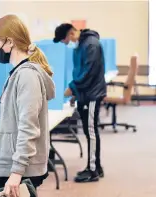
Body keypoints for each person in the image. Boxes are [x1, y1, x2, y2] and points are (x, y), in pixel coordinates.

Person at [0, 14, 55, 197]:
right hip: (14, 165)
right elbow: (9, 126)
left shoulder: (27, 76)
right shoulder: (16, 74)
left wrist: (16, 173)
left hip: (21, 169)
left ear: (10, 42)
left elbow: (28, 128)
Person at [53, 23, 106, 183]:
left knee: (90, 131)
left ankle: (92, 170)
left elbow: (88, 72)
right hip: (86, 94)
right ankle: (96, 166)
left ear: (70, 34)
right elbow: (81, 71)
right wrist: (76, 94)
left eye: (65, 40)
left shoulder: (90, 44)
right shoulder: (83, 45)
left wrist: (72, 88)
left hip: (92, 94)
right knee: (90, 131)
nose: (66, 44)